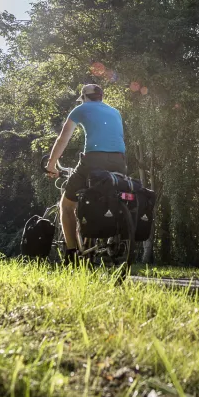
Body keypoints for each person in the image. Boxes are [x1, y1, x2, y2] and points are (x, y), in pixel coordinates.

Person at [45, 83, 126, 263]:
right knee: (108, 195)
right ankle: (111, 238)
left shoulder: (81, 109)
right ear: (101, 96)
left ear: (84, 97)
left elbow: (63, 138)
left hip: (93, 160)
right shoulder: (115, 112)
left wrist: (51, 165)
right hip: (119, 162)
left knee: (66, 206)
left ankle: (71, 253)